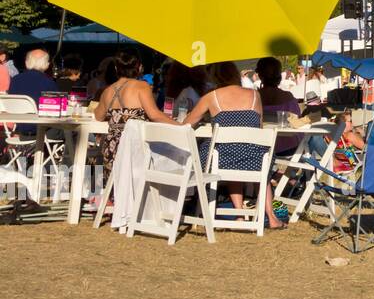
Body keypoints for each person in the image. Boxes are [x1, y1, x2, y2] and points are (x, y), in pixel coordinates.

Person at [184, 62, 282, 229]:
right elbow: (259, 127)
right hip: (254, 157)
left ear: (215, 77)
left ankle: (239, 214)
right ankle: (271, 217)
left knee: (225, 152)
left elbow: (187, 124)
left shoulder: (211, 96)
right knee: (254, 161)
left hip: (222, 158)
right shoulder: (254, 95)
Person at [91, 51, 175, 184]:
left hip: (113, 151)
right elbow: (154, 114)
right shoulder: (142, 87)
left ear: (116, 68)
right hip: (135, 148)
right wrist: (181, 126)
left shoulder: (107, 91)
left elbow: (98, 116)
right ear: (140, 67)